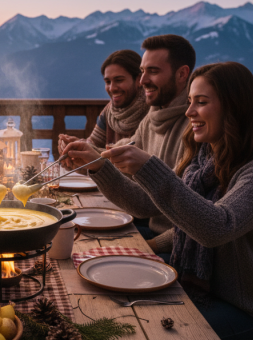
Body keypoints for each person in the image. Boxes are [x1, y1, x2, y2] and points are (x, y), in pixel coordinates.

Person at [63, 62, 253, 340]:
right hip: (204, 282)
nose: (189, 112)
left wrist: (148, 167)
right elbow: (144, 205)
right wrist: (98, 167)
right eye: (189, 101)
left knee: (136, 324)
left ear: (234, 107)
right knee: (105, 285)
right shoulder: (202, 158)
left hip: (249, 309)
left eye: (201, 102)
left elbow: (216, 228)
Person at [62, 34, 196, 249]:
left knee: (83, 245)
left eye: (153, 71)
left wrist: (97, 163)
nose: (143, 81)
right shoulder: (153, 116)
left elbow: (188, 215)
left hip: (174, 245)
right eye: (143, 72)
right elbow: (123, 162)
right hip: (151, 227)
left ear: (182, 74)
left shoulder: (195, 128)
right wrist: (88, 156)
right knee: (77, 237)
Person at [58, 49, 147, 151]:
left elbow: (132, 156)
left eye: (119, 80)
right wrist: (77, 146)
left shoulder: (151, 112)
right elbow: (94, 144)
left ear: (139, 79)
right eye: (108, 82)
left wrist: (87, 151)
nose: (112, 88)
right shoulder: (109, 112)